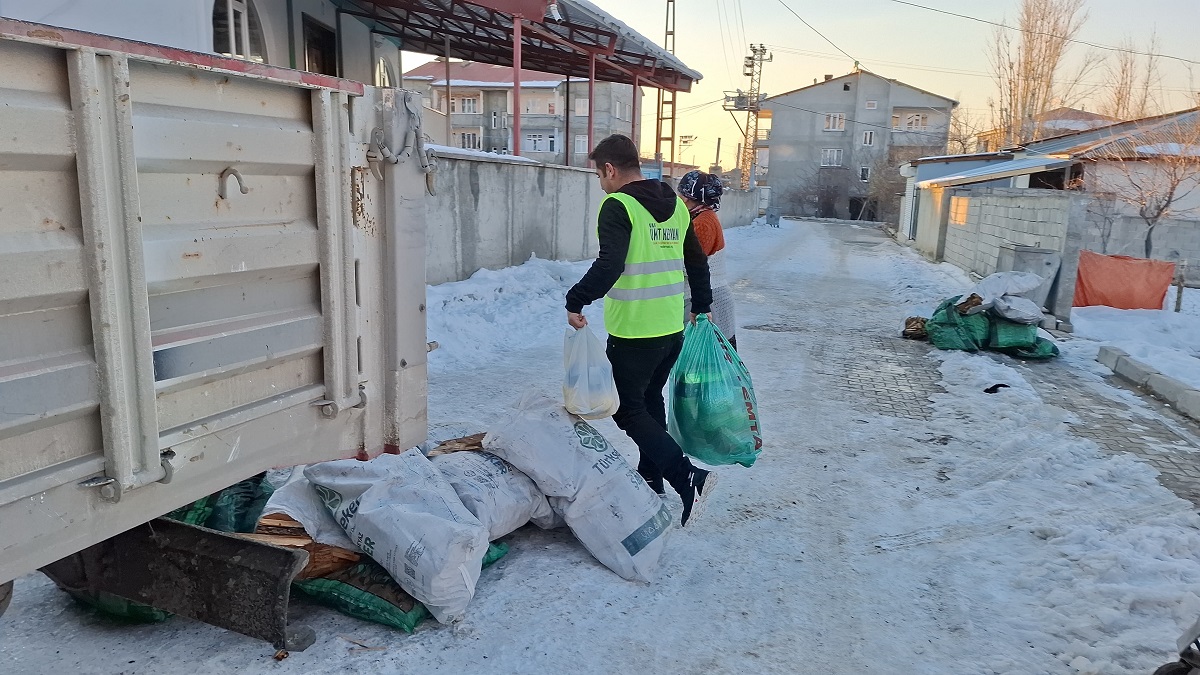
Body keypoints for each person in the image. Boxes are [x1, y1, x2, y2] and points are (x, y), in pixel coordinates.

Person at [565, 134, 718, 527]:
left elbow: (609, 264)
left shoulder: (618, 205)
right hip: (670, 329)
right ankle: (651, 475)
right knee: (650, 401)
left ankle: (687, 477)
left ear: (611, 169)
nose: (601, 183)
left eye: (600, 175)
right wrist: (702, 307)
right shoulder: (675, 204)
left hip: (635, 331)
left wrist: (575, 299)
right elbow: (697, 262)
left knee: (627, 409)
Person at [676, 170, 737, 350]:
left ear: (687, 196)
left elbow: (691, 265)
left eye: (680, 193)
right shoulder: (701, 217)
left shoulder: (702, 223)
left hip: (710, 301)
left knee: (707, 362)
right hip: (709, 298)